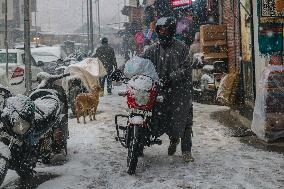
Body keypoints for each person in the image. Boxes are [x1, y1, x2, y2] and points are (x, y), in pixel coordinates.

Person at [143, 17, 194, 162]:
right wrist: (124, 69)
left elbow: (186, 68)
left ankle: (186, 150)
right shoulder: (152, 50)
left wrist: (171, 77)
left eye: (165, 29)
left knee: (184, 120)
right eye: (160, 30)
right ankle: (172, 139)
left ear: (171, 30)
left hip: (179, 91)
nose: (162, 32)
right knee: (159, 118)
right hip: (159, 91)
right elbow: (141, 63)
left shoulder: (182, 48)